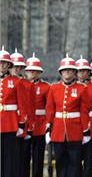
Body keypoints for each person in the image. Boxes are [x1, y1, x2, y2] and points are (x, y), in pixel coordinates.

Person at [45, 54, 90, 177]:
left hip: (75, 131)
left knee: (74, 163)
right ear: (61, 72)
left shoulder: (81, 88)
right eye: (65, 70)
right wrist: (48, 129)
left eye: (70, 70)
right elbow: (50, 110)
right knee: (60, 162)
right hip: (58, 132)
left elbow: (84, 111)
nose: (67, 73)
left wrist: (85, 130)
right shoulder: (54, 88)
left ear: (75, 72)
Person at [0, 47, 30, 177]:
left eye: (4, 63)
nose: (1, 65)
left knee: (10, 158)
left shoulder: (17, 82)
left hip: (10, 124)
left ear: (8, 65)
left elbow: (23, 105)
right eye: (0, 62)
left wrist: (21, 124)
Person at [10, 49, 36, 177]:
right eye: (14, 66)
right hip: (7, 123)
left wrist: (28, 127)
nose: (16, 69)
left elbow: (30, 107)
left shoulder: (27, 84)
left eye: (19, 67)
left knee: (22, 158)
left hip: (21, 125)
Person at [25, 53, 51, 177]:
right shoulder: (21, 84)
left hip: (40, 126)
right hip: (24, 125)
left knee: (38, 158)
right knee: (23, 156)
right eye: (30, 70)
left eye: (34, 71)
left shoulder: (45, 87)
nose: (32, 73)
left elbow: (49, 107)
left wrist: (47, 124)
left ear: (39, 72)